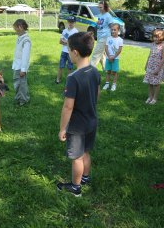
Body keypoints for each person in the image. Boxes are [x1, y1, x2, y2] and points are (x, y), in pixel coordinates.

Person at [57, 32, 101, 197]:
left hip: (77, 126)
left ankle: (75, 187)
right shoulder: (95, 71)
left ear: (75, 52)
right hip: (91, 120)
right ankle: (86, 178)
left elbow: (68, 107)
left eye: (69, 50)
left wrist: (63, 129)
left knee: (76, 157)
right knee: (86, 152)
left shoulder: (73, 77)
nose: (69, 53)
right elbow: (97, 94)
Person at [12, 19, 32, 106]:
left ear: (20, 27)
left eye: (15, 28)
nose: (15, 30)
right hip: (17, 65)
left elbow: (25, 56)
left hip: (21, 66)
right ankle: (18, 98)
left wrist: (23, 69)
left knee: (21, 84)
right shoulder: (20, 38)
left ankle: (23, 100)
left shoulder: (26, 40)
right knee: (17, 83)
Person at [55, 16, 78, 84]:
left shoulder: (76, 32)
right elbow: (60, 41)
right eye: (69, 22)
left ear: (75, 23)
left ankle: (68, 82)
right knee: (61, 66)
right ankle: (58, 79)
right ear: (67, 22)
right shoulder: (64, 31)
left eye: (72, 22)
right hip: (64, 51)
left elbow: (74, 43)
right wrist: (68, 42)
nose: (70, 23)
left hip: (71, 52)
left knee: (69, 67)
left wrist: (66, 42)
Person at [143, 29, 164, 104]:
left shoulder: (163, 46)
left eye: (158, 37)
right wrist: (146, 64)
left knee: (156, 84)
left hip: (157, 67)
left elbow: (163, 59)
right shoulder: (152, 44)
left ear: (162, 37)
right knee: (149, 82)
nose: (156, 39)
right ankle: (150, 97)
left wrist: (158, 69)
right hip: (150, 66)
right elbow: (149, 55)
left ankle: (155, 98)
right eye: (154, 37)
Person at [90, 0, 113, 70]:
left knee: (96, 54)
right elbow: (99, 26)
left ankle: (90, 69)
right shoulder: (100, 15)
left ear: (105, 7)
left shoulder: (108, 16)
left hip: (105, 37)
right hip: (100, 37)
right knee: (102, 54)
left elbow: (112, 27)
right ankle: (105, 69)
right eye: (99, 7)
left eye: (101, 7)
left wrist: (112, 39)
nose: (99, 9)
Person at [102, 23, 123, 91]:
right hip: (108, 58)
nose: (113, 31)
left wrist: (113, 57)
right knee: (108, 71)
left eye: (115, 30)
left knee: (114, 72)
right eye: (112, 30)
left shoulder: (120, 40)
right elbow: (106, 48)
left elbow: (119, 50)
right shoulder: (108, 38)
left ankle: (114, 84)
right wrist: (109, 56)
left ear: (118, 30)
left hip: (115, 58)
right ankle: (107, 83)